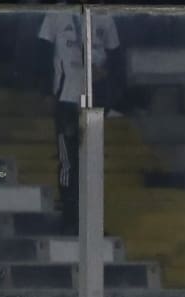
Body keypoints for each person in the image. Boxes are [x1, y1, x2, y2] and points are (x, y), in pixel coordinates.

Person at [36, 11, 122, 232]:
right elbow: (42, 52)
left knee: (91, 162)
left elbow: (116, 58)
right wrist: (46, 92)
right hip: (66, 98)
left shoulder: (105, 16)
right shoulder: (56, 15)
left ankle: (92, 221)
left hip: (94, 101)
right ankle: (70, 217)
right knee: (69, 161)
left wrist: (106, 78)